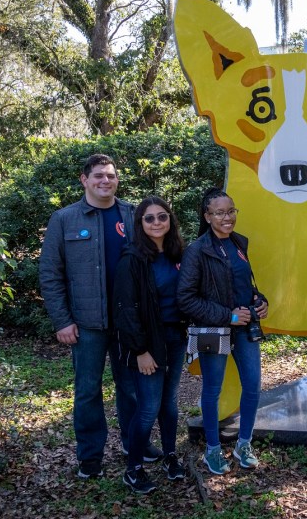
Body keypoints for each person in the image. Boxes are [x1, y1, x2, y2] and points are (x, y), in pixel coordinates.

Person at [39, 153, 160, 480]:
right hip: (86, 325)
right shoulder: (64, 219)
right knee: (87, 391)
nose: (105, 181)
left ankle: (134, 443)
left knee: (132, 388)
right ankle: (90, 456)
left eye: (110, 175)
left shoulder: (133, 215)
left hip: (127, 325)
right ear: (84, 179)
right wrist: (62, 320)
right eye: (98, 176)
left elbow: (151, 265)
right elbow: (50, 274)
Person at [177, 188, 268, 475]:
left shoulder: (239, 243)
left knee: (253, 385)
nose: (227, 217)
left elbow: (241, 283)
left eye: (230, 211)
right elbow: (186, 298)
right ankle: (212, 450)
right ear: (207, 216)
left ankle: (244, 444)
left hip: (245, 329)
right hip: (213, 330)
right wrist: (227, 315)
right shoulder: (196, 250)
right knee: (212, 390)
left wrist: (259, 300)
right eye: (219, 213)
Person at [113, 197, 187, 494]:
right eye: (149, 218)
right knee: (147, 408)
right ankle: (133, 469)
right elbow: (125, 309)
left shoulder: (177, 253)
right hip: (147, 344)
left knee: (169, 403)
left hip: (176, 337)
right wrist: (140, 351)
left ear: (170, 220)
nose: (157, 223)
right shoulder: (132, 259)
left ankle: (170, 456)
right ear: (140, 223)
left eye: (162, 217)